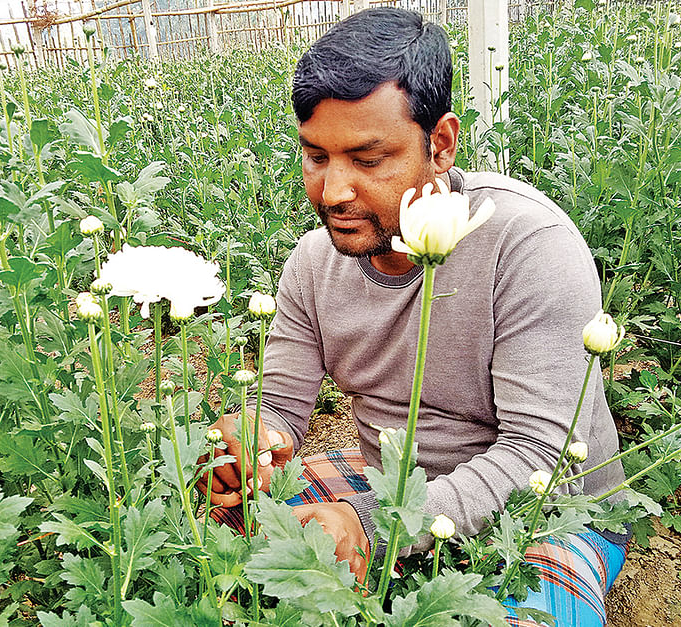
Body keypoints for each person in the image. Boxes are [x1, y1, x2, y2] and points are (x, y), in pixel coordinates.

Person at [200, 7, 629, 625]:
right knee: (226, 539)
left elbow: (542, 455)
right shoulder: (314, 261)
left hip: (540, 517)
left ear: (442, 143)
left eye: (368, 160)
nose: (333, 191)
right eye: (316, 157)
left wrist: (375, 524)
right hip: (385, 485)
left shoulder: (527, 243)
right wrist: (254, 444)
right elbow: (280, 406)